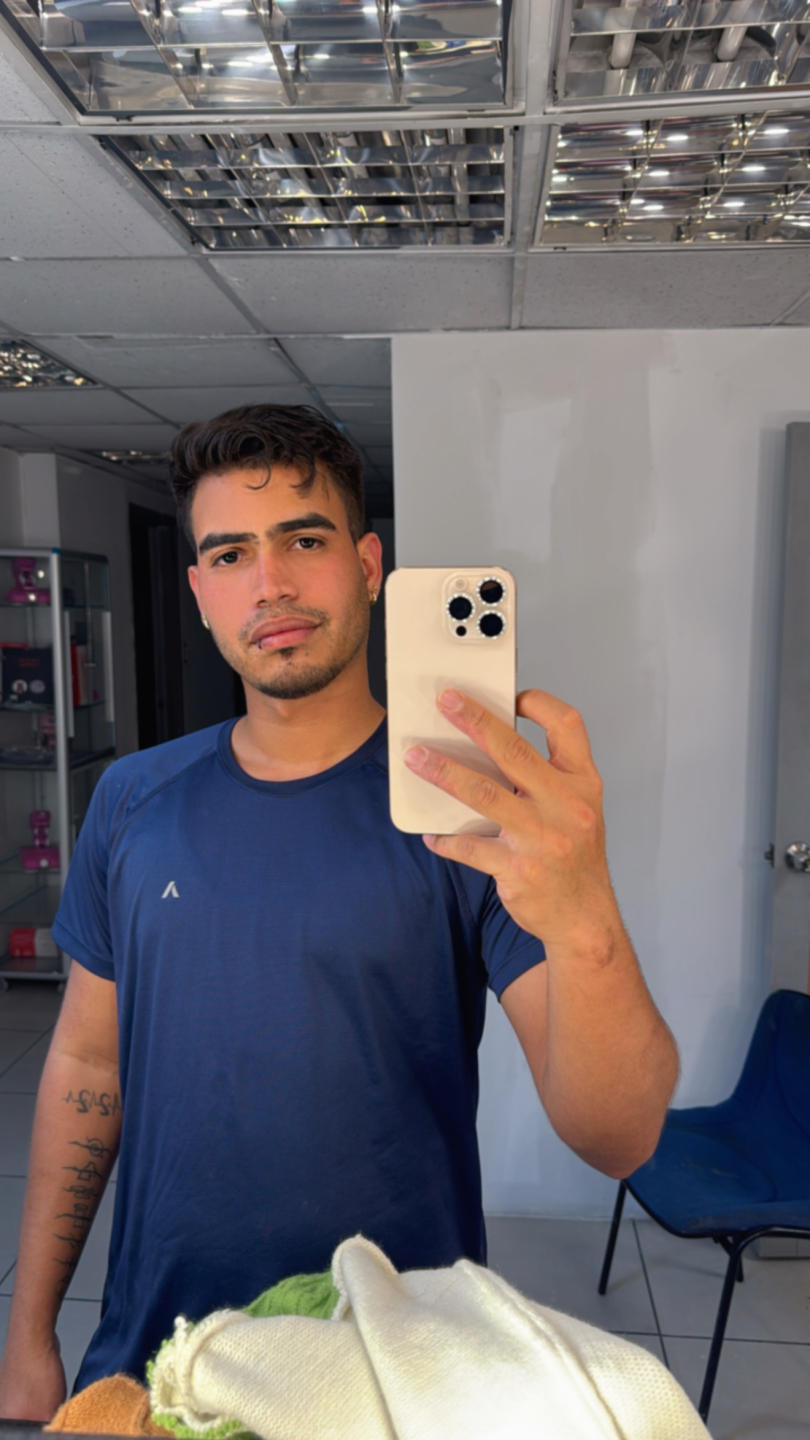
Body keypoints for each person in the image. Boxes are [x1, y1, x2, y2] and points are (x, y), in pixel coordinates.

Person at [0, 405, 678, 1420]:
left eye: (304, 541)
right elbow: (89, 1067)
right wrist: (27, 1331)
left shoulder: (465, 815)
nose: (269, 583)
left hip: (389, 1372)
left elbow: (619, 1136)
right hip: (156, 1357)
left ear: (367, 566)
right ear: (199, 592)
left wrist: (587, 913)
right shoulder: (133, 800)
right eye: (230, 555)